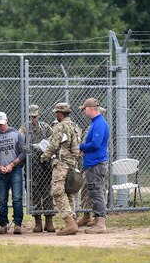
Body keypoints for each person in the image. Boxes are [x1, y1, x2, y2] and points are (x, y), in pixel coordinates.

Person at [41, 103, 81, 236]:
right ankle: (73, 221)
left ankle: (69, 222)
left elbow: (53, 145)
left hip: (62, 163)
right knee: (69, 192)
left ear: (60, 113)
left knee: (57, 191)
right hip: (73, 163)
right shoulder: (75, 126)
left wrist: (44, 157)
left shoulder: (60, 126)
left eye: (56, 113)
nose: (55, 115)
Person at [19, 104, 55, 233]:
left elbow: (54, 138)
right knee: (34, 194)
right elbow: (20, 143)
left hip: (45, 165)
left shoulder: (45, 127)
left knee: (47, 193)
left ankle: (49, 221)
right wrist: (32, 146)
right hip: (32, 167)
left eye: (34, 117)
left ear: (38, 116)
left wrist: (45, 145)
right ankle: (38, 222)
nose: (32, 119)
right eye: (29, 117)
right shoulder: (23, 129)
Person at [0, 112, 25, 235]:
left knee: (17, 198)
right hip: (0, 172)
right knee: (2, 200)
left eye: (2, 124)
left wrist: (12, 164)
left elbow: (23, 153)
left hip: (15, 170)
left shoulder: (16, 134)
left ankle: (18, 224)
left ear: (7, 121)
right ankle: (3, 224)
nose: (1, 127)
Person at [79, 98, 109, 234]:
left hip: (96, 163)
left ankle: (101, 223)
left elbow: (96, 144)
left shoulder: (99, 123)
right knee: (94, 191)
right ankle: (97, 220)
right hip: (93, 163)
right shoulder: (96, 123)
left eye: (85, 109)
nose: (84, 112)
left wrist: (81, 147)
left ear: (91, 109)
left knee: (97, 192)